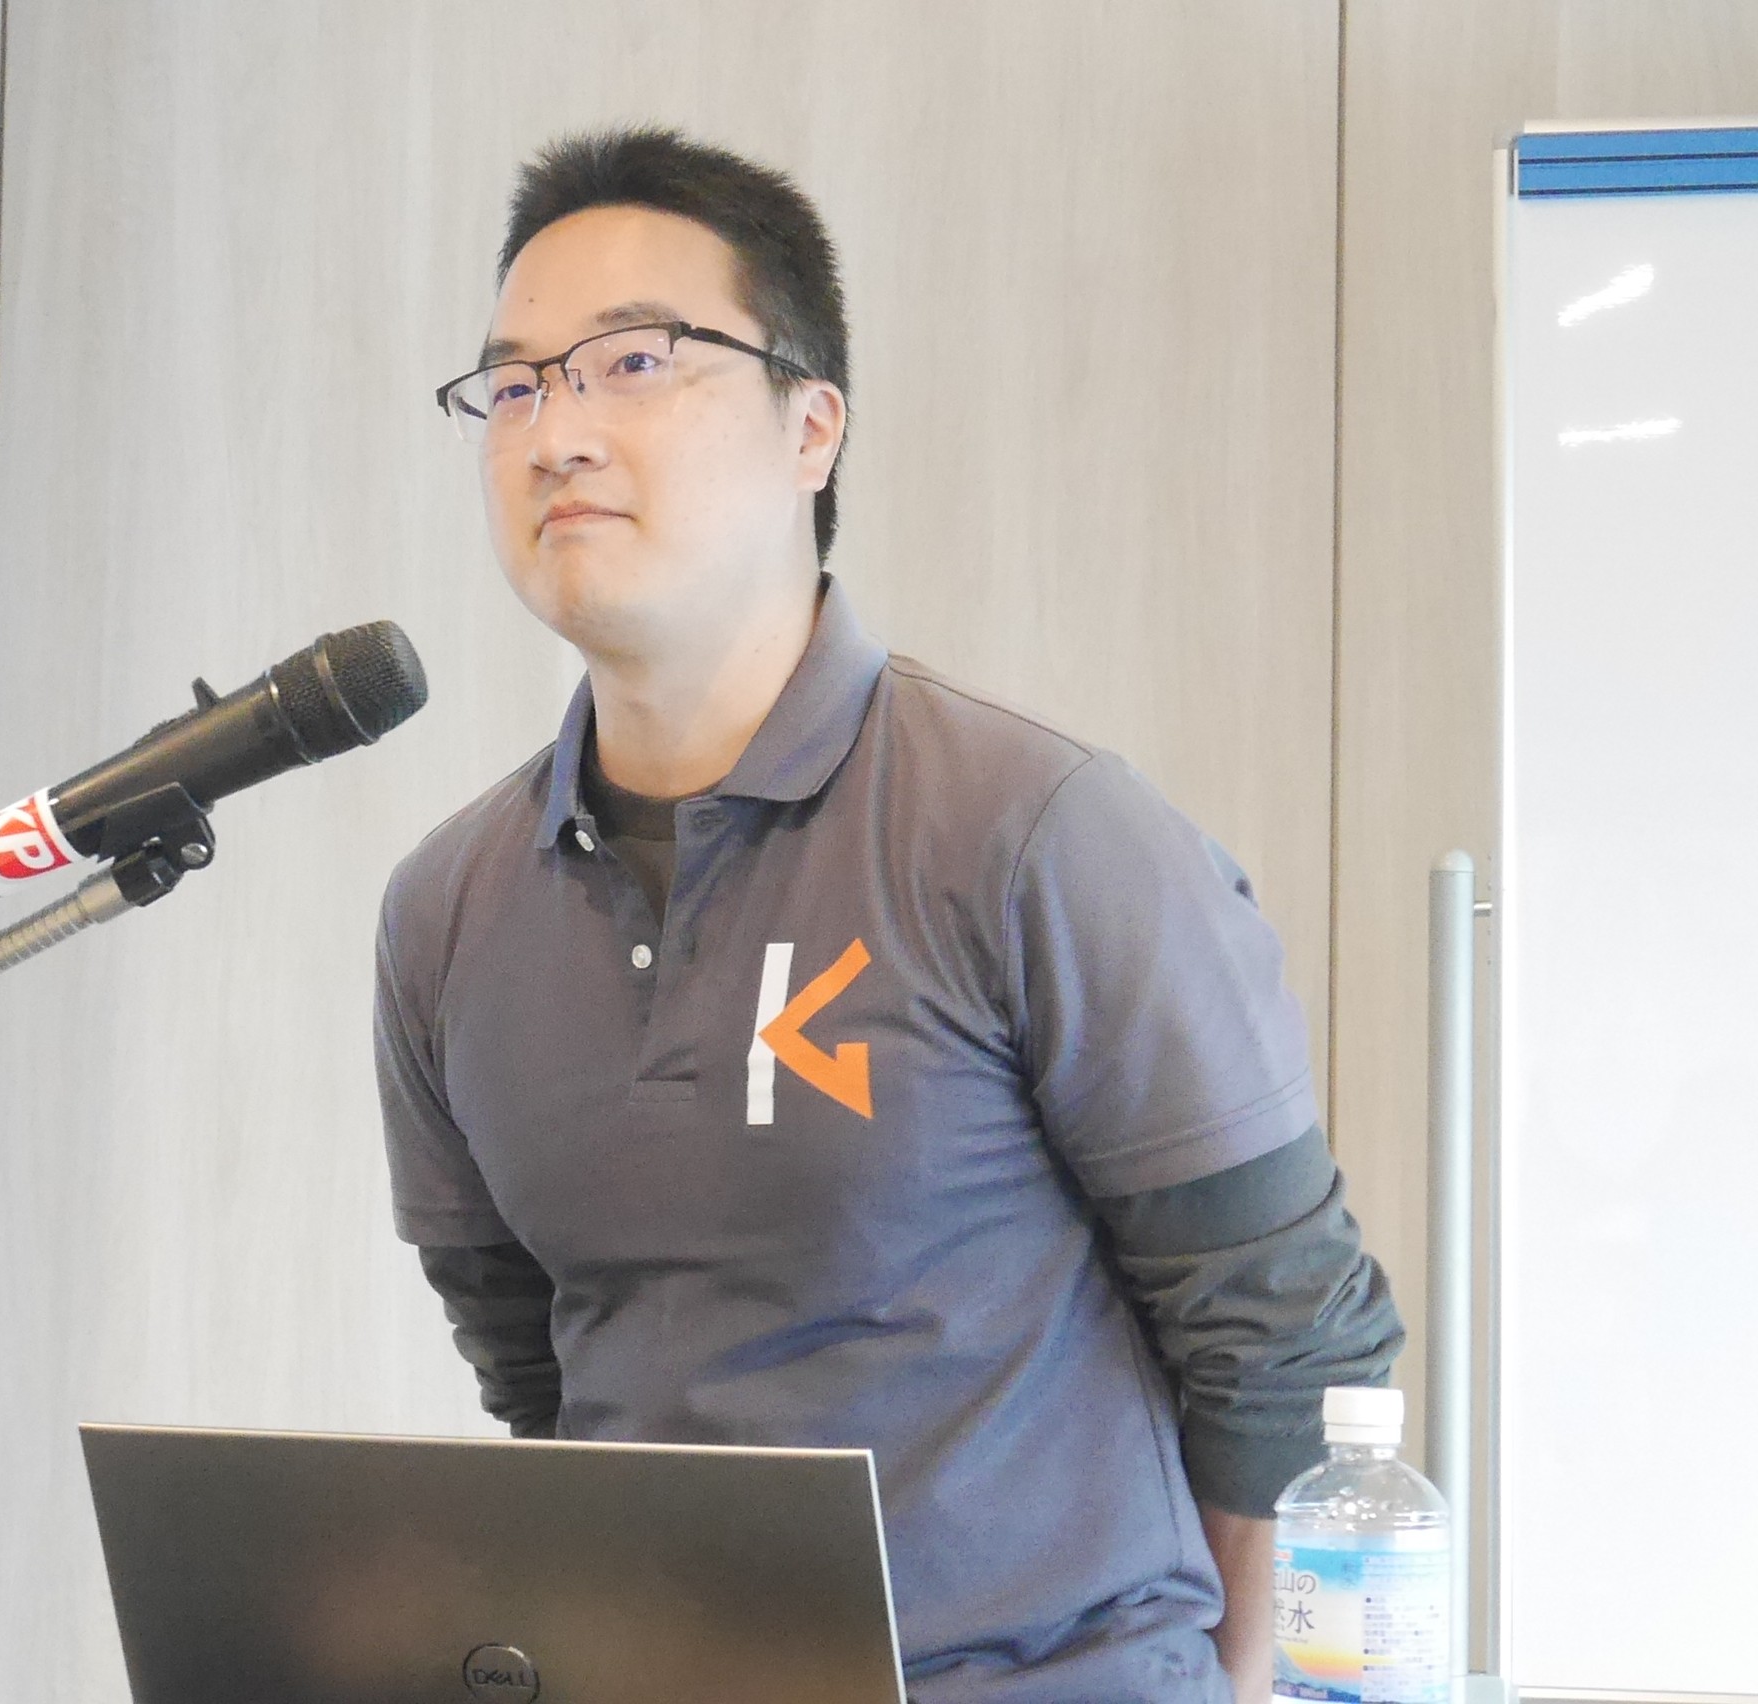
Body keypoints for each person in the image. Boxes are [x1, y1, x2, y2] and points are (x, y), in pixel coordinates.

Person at [374, 125, 1402, 1704]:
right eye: (514, 387)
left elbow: (1285, 1344)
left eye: (632, 363)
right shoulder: (447, 911)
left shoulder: (1037, 835)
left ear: (813, 427)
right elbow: (531, 1368)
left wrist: (1229, 1684)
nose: (557, 433)